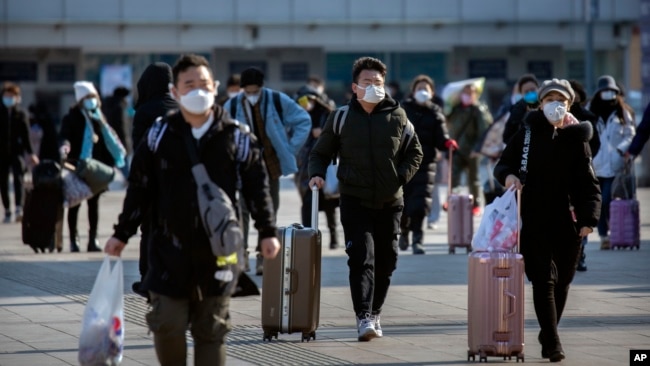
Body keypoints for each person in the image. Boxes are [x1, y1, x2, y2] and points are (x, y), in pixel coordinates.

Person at [104, 54, 281, 366]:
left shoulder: (235, 135)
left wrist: (267, 231)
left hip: (219, 250)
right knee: (167, 322)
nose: (198, 90)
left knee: (211, 330)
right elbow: (139, 187)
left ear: (215, 88)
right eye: (190, 84)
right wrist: (122, 234)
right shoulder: (159, 135)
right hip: (168, 250)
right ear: (175, 92)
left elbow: (257, 185)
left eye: (204, 84)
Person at [308, 56, 423, 341]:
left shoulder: (398, 116)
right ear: (355, 87)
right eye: (367, 82)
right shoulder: (341, 117)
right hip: (354, 200)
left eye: (378, 82)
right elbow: (320, 152)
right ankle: (363, 317)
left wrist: (400, 177)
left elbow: (415, 152)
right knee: (361, 258)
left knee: (388, 260)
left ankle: (375, 312)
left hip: (390, 201)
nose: (374, 87)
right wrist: (316, 174)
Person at [494, 79, 601, 363]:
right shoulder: (526, 134)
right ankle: (553, 342)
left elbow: (589, 185)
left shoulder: (578, 139)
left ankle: (547, 330)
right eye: (549, 99)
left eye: (561, 100)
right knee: (543, 281)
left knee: (563, 282)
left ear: (570, 104)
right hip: (533, 218)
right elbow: (503, 164)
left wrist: (589, 218)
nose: (555, 104)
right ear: (540, 104)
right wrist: (509, 176)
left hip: (568, 221)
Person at [223, 67, 310, 275]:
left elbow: (303, 120)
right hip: (244, 165)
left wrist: (290, 148)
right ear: (243, 89)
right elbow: (221, 130)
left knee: (269, 211)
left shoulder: (277, 100)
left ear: (262, 88)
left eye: (255, 91)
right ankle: (242, 255)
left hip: (271, 165)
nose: (252, 95)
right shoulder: (234, 104)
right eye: (248, 91)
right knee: (242, 210)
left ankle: (263, 256)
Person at [59, 81, 126, 252]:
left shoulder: (99, 118)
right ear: (80, 100)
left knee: (93, 204)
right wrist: (65, 147)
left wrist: (108, 165)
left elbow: (107, 142)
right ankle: (74, 240)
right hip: (77, 166)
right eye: (87, 97)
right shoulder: (72, 117)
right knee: (75, 203)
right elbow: (65, 136)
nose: (91, 101)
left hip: (96, 168)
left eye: (93, 97)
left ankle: (92, 239)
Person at [130, 62, 178, 298]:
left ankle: (148, 279)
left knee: (149, 230)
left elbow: (139, 150)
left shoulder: (144, 111)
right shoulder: (181, 107)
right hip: (179, 182)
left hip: (152, 181)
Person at [399, 74, 457, 254]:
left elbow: (441, 137)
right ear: (413, 91)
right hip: (404, 163)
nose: (423, 92)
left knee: (421, 204)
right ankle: (404, 231)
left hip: (426, 164)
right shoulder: (402, 110)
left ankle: (418, 239)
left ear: (432, 93)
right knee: (403, 203)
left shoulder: (435, 113)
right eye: (419, 88)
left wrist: (447, 143)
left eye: (426, 89)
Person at [587, 75, 636, 250]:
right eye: (604, 91)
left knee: (608, 199)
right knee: (599, 203)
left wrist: (620, 151)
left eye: (611, 91)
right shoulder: (590, 111)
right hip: (595, 165)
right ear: (598, 93)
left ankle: (611, 231)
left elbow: (630, 135)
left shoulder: (623, 112)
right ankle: (603, 236)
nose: (608, 94)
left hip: (615, 165)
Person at [293, 77, 340, 249]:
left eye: (310, 99)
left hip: (324, 166)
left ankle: (334, 237)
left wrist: (323, 133)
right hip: (304, 168)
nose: (307, 103)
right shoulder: (297, 117)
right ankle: (308, 238)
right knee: (307, 204)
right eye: (303, 100)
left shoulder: (327, 115)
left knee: (328, 206)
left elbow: (337, 138)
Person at [446, 82, 492, 216]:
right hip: (457, 148)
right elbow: (447, 122)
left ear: (476, 94)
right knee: (453, 176)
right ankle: (452, 200)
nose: (467, 95)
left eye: (471, 93)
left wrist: (477, 149)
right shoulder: (455, 109)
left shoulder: (478, 110)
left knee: (474, 179)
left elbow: (483, 132)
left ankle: (476, 204)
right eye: (465, 92)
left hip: (473, 150)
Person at [568, 80, 600, 272]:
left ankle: (580, 254)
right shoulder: (550, 119)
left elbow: (595, 143)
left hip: (580, 174)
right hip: (559, 181)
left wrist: (586, 159)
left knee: (581, 217)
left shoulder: (586, 119)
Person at [1, 82, 39, 223]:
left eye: (12, 96)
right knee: (3, 182)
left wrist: (31, 153)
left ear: (17, 98)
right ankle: (7, 210)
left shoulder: (21, 114)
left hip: (17, 152)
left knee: (19, 179)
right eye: (6, 96)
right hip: (2, 153)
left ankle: (18, 207)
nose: (9, 98)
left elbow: (26, 136)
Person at [102, 86, 131, 179]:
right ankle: (129, 180)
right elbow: (121, 126)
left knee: (108, 162)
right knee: (123, 161)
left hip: (107, 138)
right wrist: (125, 142)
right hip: (119, 140)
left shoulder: (106, 104)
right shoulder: (119, 107)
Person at [502, 74, 540, 144]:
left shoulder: (546, 107)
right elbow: (507, 138)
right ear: (521, 94)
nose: (530, 93)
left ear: (538, 89)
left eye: (532, 89)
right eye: (526, 92)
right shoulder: (517, 111)